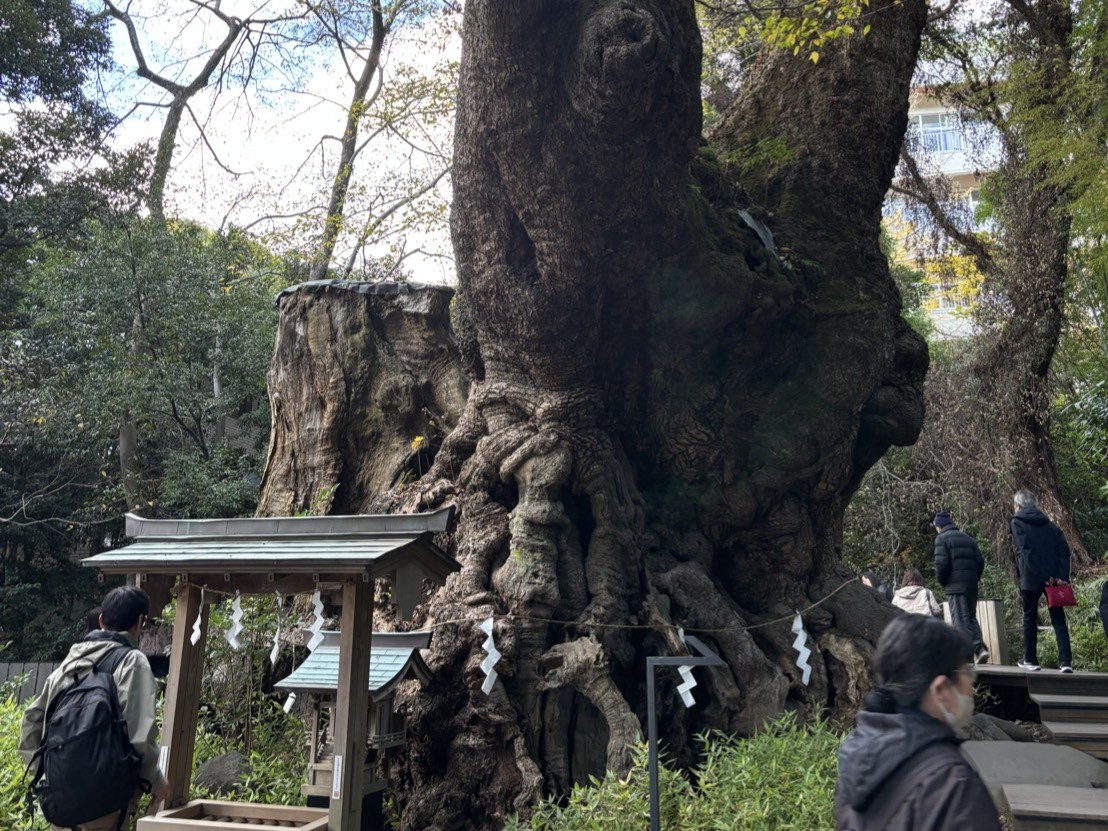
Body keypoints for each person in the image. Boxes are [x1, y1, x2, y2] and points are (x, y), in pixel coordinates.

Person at [20, 586, 169, 830]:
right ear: (139, 622)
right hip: (105, 803)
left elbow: (31, 721)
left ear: (101, 621)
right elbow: (140, 736)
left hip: (61, 804)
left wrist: (47, 777)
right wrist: (156, 782)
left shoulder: (71, 661)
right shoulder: (132, 662)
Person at [835, 615, 1002, 830]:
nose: (971, 684)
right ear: (941, 689)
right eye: (967, 673)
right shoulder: (954, 786)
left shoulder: (856, 759)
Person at [1010, 489, 1073, 672]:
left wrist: (1041, 575)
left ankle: (1030, 660)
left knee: (1029, 617)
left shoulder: (1016, 522)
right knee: (1058, 617)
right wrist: (1060, 577)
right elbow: (1064, 551)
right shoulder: (1050, 525)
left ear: (1018, 505)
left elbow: (1026, 552)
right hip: (1054, 579)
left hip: (1031, 577)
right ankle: (1066, 662)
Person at [933, 510, 988, 664]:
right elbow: (980, 562)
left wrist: (943, 581)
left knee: (959, 621)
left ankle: (966, 659)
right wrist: (973, 578)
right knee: (970, 618)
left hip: (955, 586)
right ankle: (980, 649)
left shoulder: (941, 539)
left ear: (939, 526)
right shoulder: (968, 539)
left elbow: (941, 564)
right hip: (971, 585)